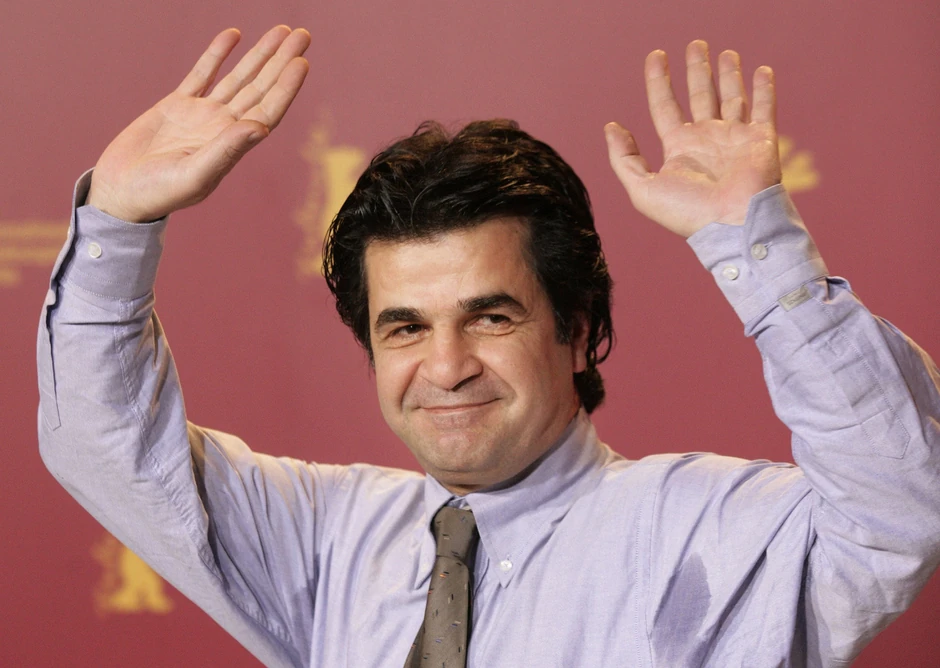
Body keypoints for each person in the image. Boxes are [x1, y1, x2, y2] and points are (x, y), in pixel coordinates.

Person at [37, 25, 940, 667]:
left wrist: (752, 242)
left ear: (578, 330)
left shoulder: (709, 530)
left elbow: (903, 498)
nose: (445, 365)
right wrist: (116, 221)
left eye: (491, 317)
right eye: (405, 327)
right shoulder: (324, 537)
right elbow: (104, 446)